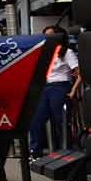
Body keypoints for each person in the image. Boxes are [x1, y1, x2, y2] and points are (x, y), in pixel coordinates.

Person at [27, 24, 81, 158]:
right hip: (44, 87)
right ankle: (35, 151)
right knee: (36, 119)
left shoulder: (66, 52)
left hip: (60, 86)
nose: (47, 38)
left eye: (50, 35)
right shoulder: (43, 52)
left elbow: (79, 72)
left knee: (60, 120)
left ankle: (65, 150)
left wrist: (73, 90)